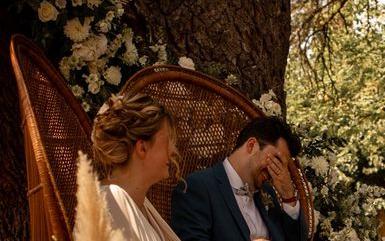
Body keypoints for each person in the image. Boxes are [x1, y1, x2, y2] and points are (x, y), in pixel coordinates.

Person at [171, 116, 306, 241]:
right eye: (276, 160)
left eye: (283, 165)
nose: (277, 170)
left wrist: (288, 197)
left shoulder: (267, 192)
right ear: (251, 145)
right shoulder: (197, 187)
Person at [91, 92, 182, 241]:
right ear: (142, 148)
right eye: (167, 140)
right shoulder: (112, 202)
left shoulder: (142, 205)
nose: (173, 150)